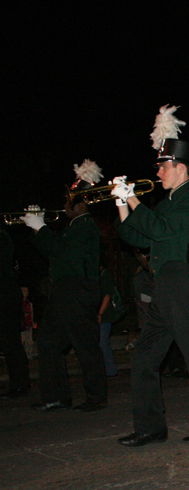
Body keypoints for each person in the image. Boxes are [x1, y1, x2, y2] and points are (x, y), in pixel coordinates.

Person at [113, 105, 189, 447]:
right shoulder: (166, 203)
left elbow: (160, 229)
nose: (159, 173)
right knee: (144, 356)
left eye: (163, 167)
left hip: (184, 283)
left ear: (180, 167)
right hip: (164, 284)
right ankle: (151, 427)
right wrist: (122, 203)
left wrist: (134, 198)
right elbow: (135, 236)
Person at [22, 160, 107, 412]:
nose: (64, 206)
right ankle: (56, 396)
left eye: (69, 201)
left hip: (78, 290)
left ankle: (96, 397)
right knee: (47, 343)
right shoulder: (72, 228)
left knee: (85, 345)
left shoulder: (86, 228)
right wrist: (37, 229)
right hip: (64, 290)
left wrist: (42, 228)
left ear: (80, 204)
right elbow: (53, 252)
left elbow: (62, 252)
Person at [0, 227, 31, 400]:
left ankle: (19, 384)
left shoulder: (4, 238)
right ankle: (19, 383)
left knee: (10, 341)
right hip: (7, 292)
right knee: (10, 341)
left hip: (5, 293)